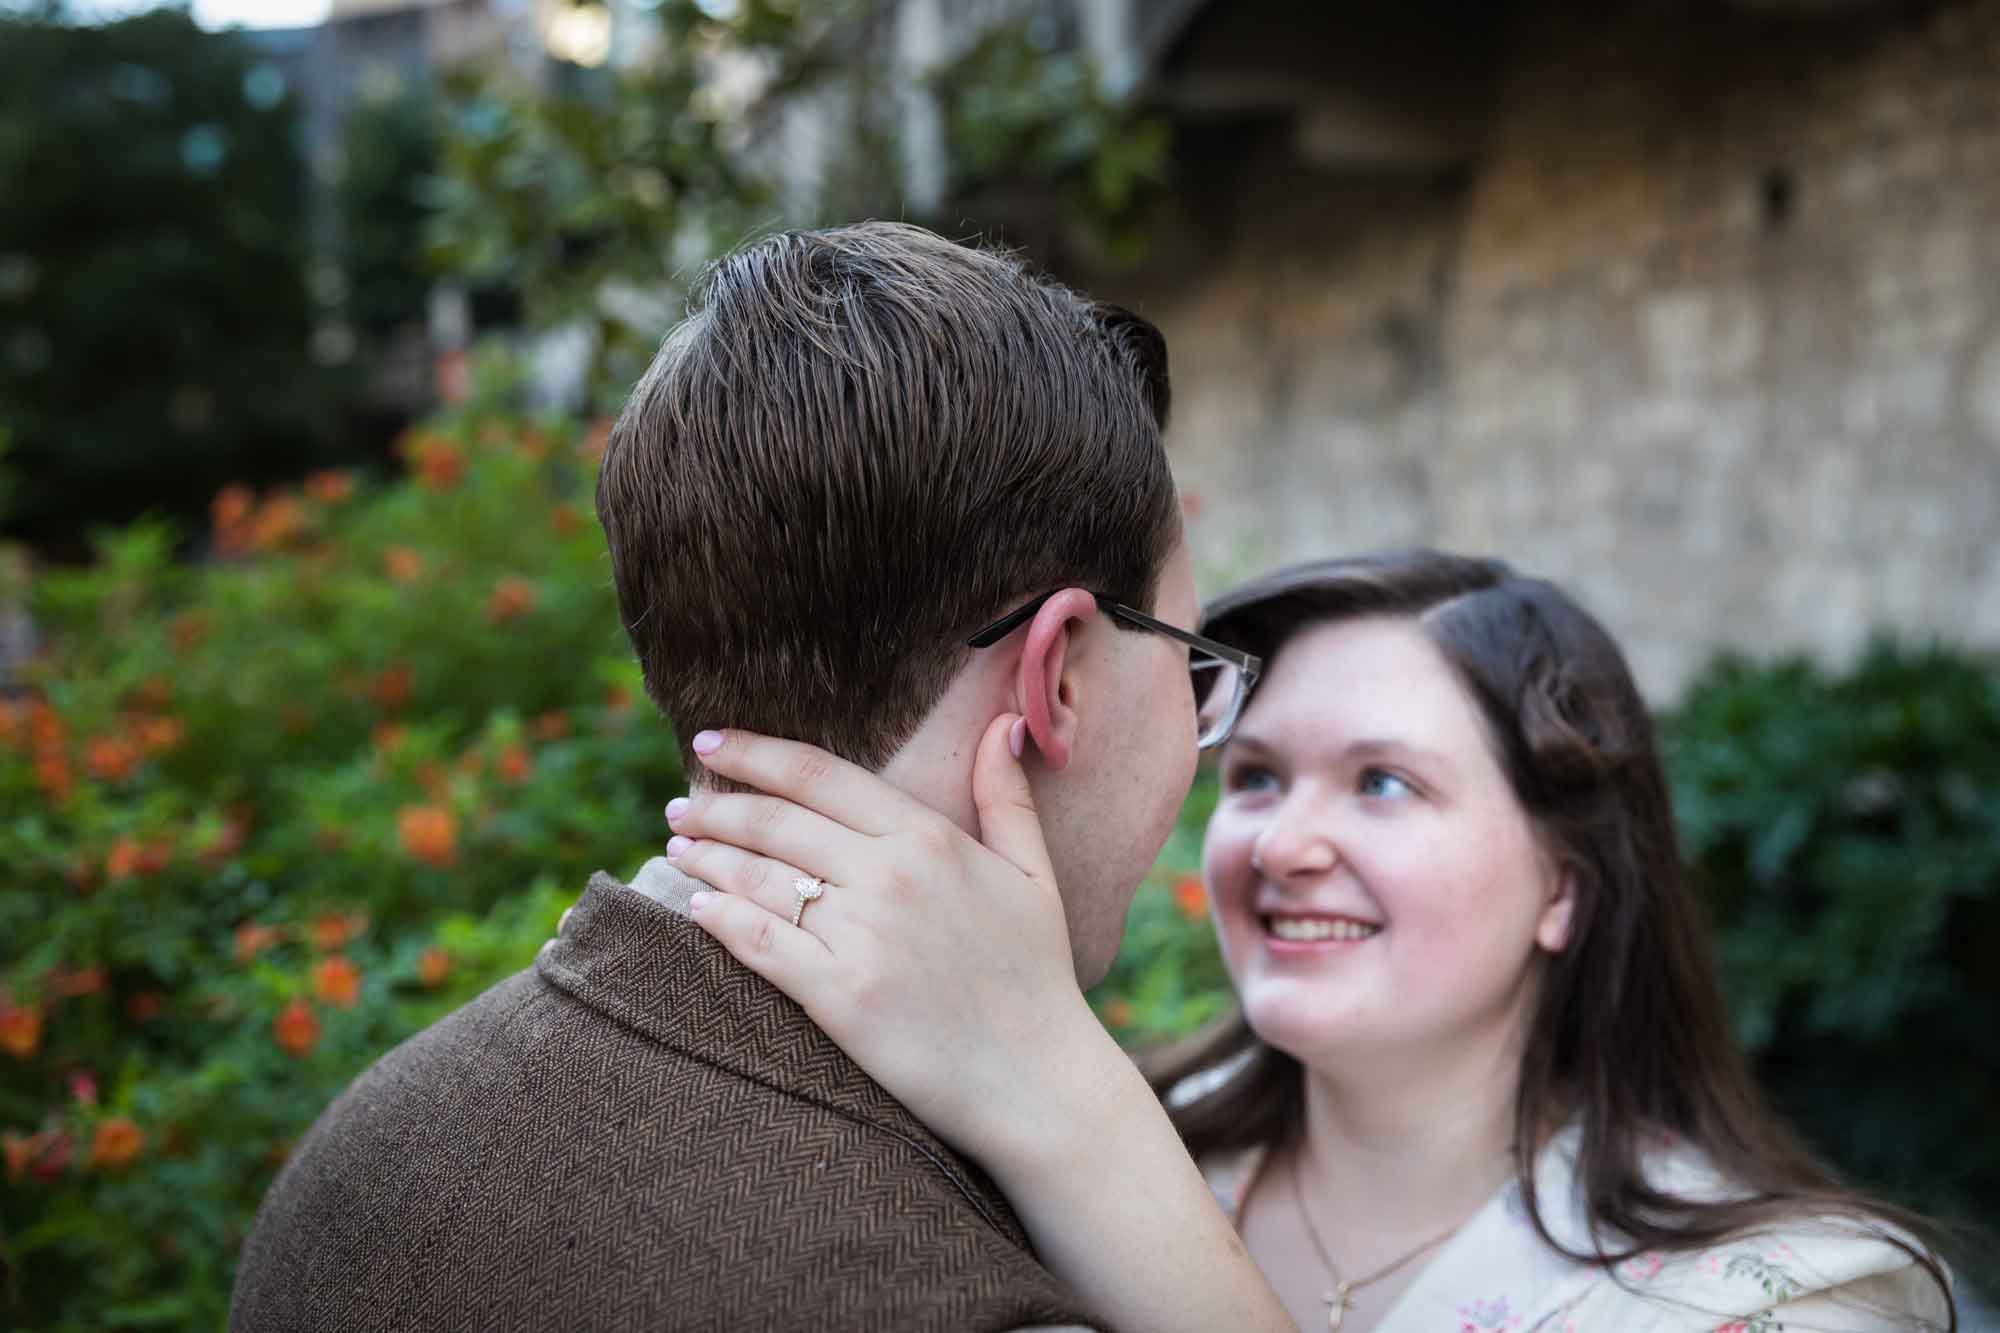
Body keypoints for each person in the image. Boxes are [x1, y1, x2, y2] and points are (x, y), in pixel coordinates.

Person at [230, 221, 1294, 1331]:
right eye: (1188, 661)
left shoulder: (356, 1159)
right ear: (1056, 675)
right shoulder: (975, 1302)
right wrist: (1081, 1106)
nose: (1196, 728)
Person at [660, 550, 1958, 1333]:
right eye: (1259, 778)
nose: (1283, 843)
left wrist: (1067, 1101)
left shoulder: (1786, 1298)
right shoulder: (1022, 1168)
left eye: (1384, 782)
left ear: (1567, 882)